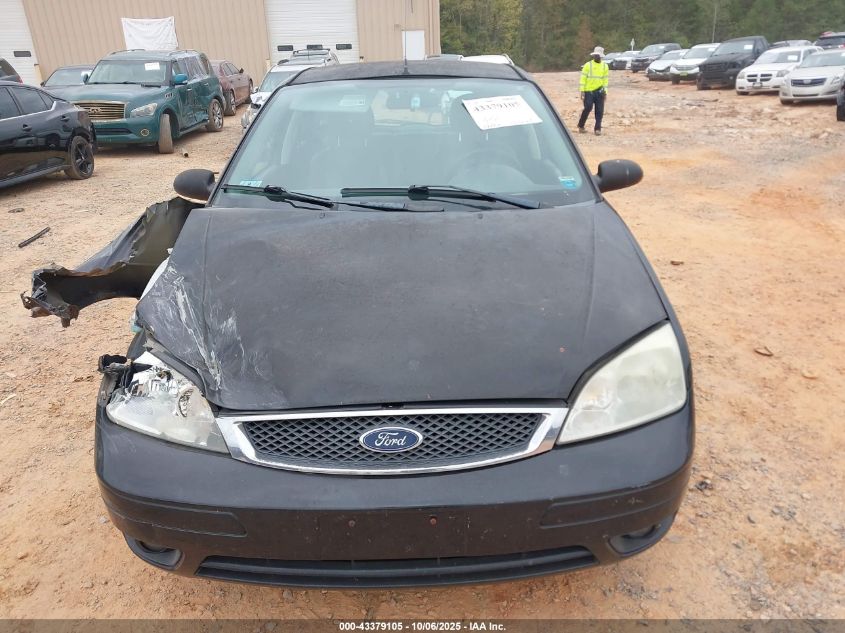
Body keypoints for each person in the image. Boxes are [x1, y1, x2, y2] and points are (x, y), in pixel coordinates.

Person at [577, 46, 609, 136]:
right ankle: (581, 125)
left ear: (601, 56)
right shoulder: (588, 65)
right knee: (588, 107)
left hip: (599, 91)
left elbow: (605, 80)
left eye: (598, 56)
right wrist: (582, 91)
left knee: (599, 110)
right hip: (589, 91)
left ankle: (597, 129)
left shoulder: (605, 66)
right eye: (595, 55)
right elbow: (583, 78)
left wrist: (605, 91)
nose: (596, 57)